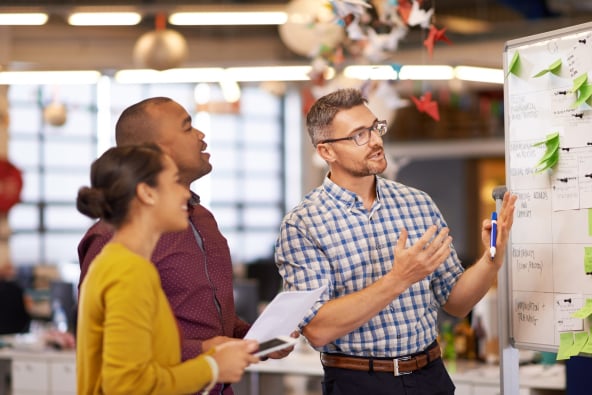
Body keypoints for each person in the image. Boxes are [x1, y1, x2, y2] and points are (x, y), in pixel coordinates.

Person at [275, 88, 517, 395]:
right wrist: (399, 278)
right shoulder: (303, 224)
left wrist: (491, 259)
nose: (376, 141)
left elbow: (457, 302)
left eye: (376, 128)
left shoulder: (417, 203)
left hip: (431, 377)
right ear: (327, 152)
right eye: (359, 135)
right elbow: (319, 329)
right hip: (358, 384)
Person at [77, 97, 292, 394]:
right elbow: (125, 381)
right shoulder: (124, 266)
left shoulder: (185, 231)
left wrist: (251, 341)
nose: (183, 196)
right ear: (147, 191)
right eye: (174, 184)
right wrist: (211, 363)